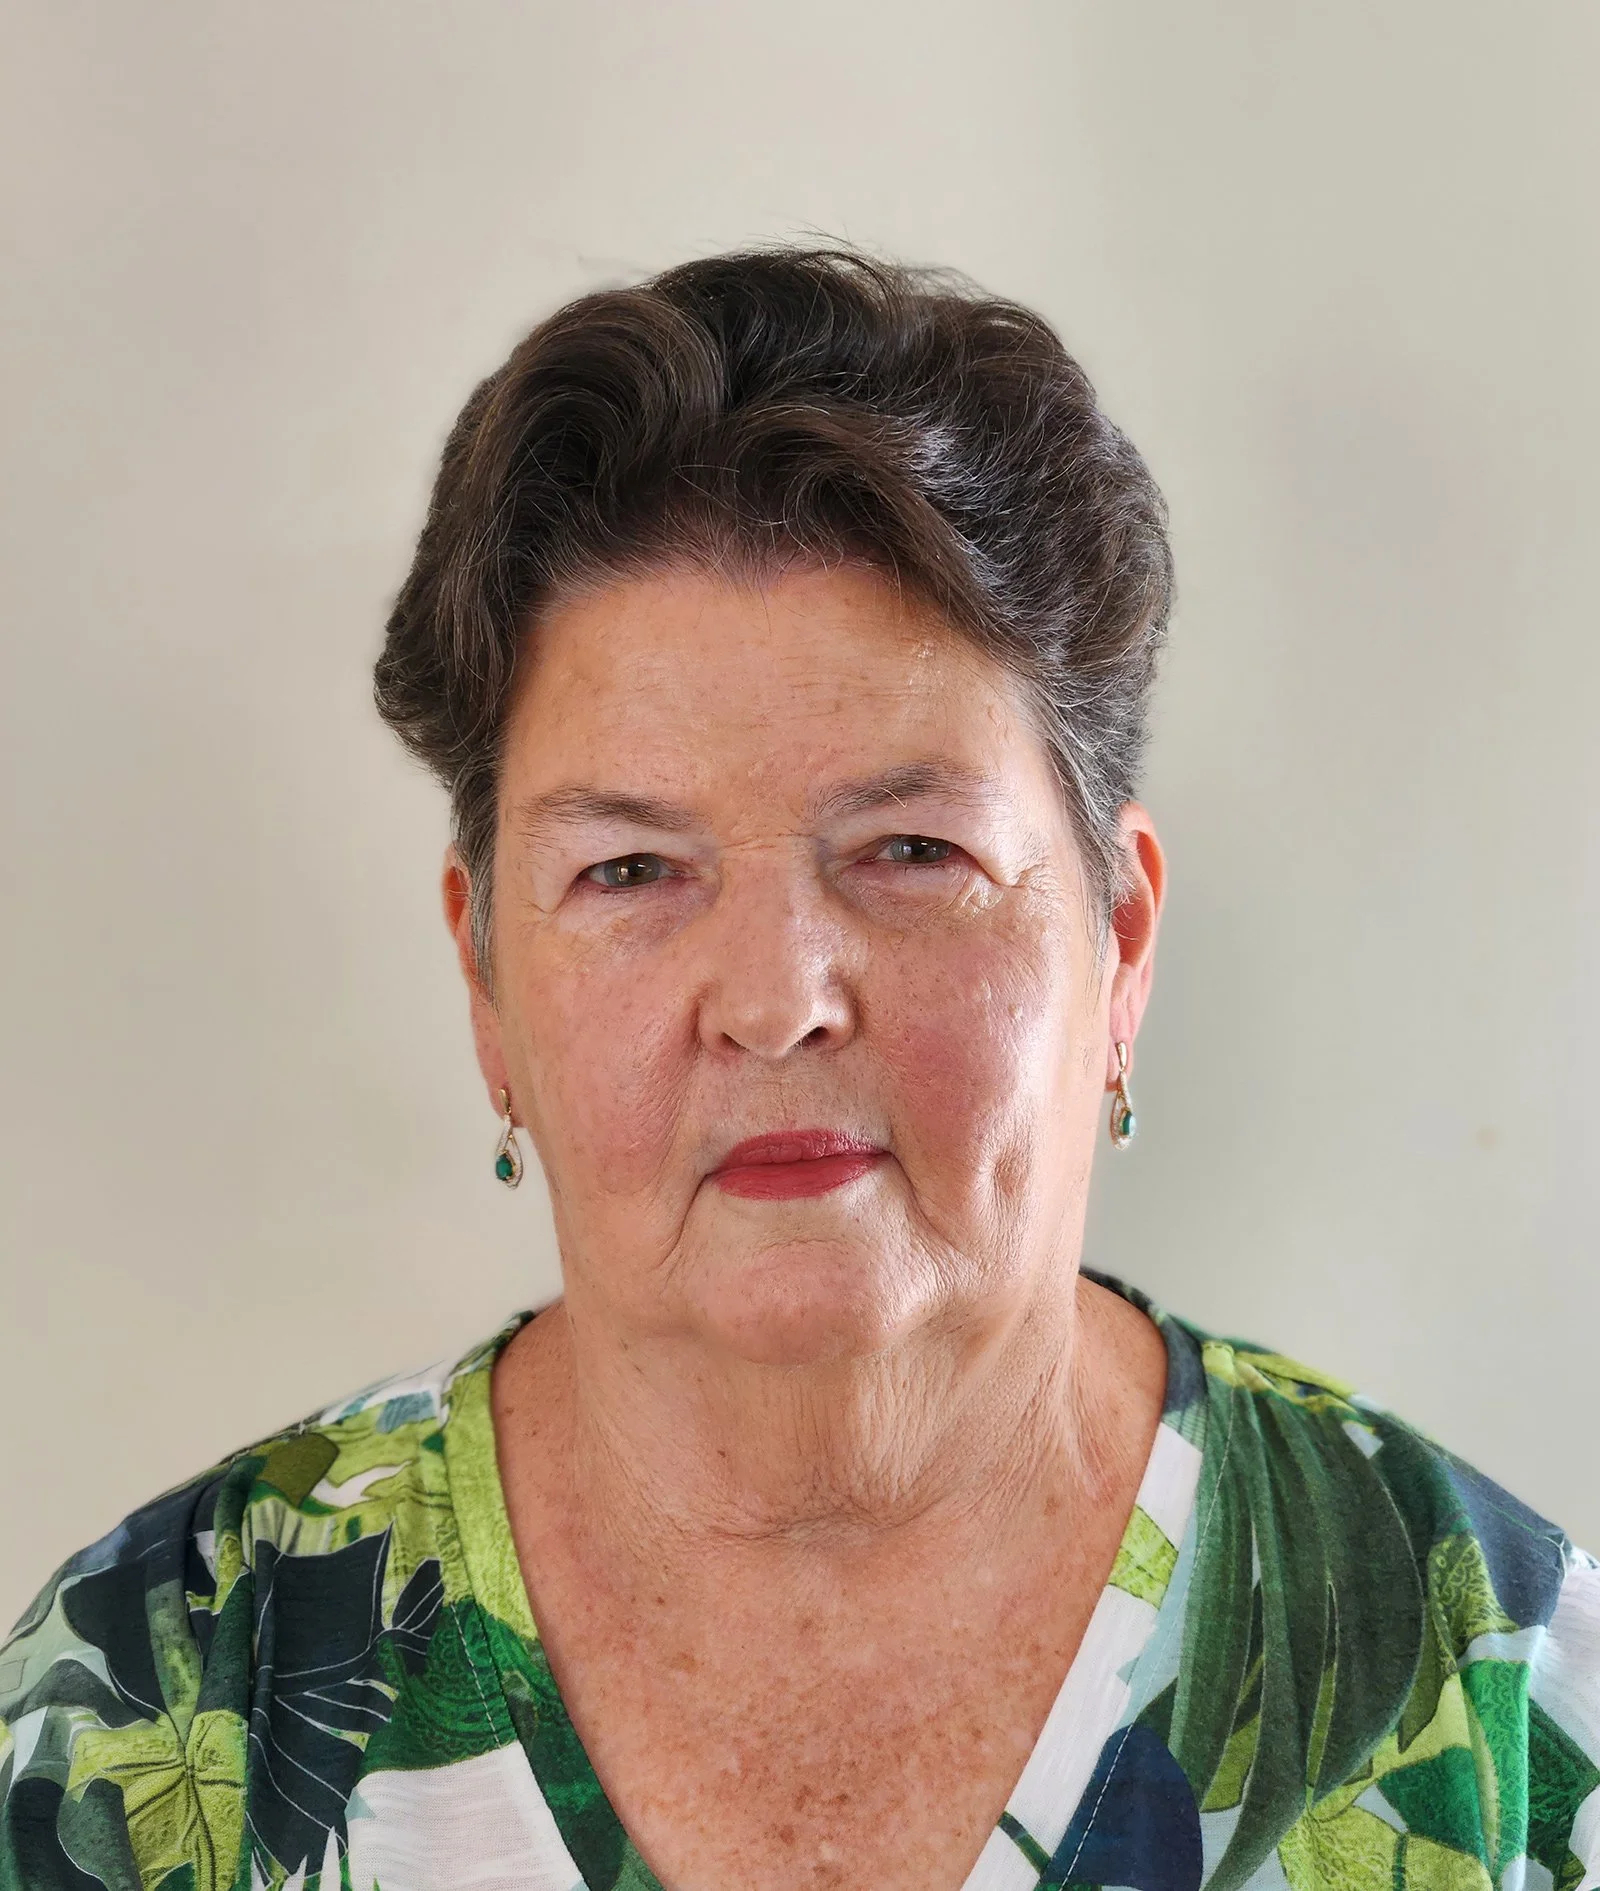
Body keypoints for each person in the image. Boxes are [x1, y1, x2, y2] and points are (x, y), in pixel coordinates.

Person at [2, 247, 1595, 1891]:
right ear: (485, 977)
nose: (774, 1002)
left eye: (909, 848)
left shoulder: (1501, 1708)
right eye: (629, 870)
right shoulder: (150, 1704)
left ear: (1119, 944)